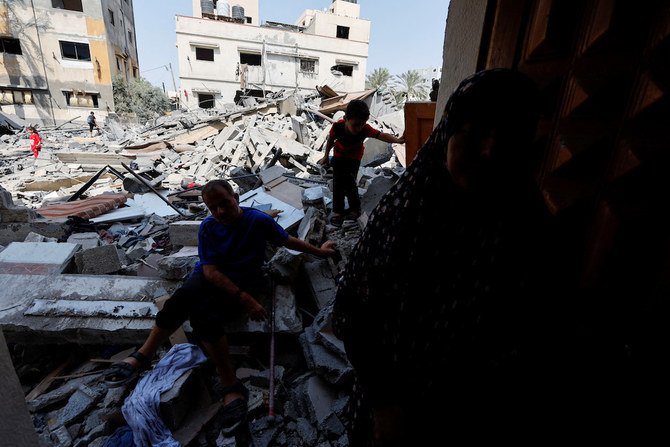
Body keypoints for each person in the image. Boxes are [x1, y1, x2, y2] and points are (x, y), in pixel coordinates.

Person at [332, 69, 571, 445]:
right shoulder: (405, 215)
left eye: (508, 137)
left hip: (478, 411)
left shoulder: (530, 225)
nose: (490, 151)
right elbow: (352, 311)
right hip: (393, 407)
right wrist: (385, 404)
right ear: (448, 132)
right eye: (474, 133)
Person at [104, 179, 337, 429]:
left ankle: (230, 383)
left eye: (225, 204)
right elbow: (210, 272)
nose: (220, 212)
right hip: (212, 279)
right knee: (179, 301)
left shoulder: (257, 221)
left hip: (245, 279)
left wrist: (319, 251)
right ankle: (143, 355)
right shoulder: (208, 227)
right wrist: (244, 299)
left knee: (205, 316)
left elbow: (287, 240)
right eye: (213, 208)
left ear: (235, 197)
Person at [318, 100, 405, 226]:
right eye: (355, 125)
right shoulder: (337, 127)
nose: (359, 128)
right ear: (346, 119)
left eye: (362, 124)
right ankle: (338, 211)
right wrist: (326, 156)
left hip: (354, 159)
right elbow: (330, 140)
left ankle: (354, 209)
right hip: (339, 157)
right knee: (338, 183)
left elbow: (381, 135)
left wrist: (397, 140)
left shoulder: (365, 129)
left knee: (350, 183)